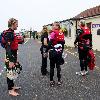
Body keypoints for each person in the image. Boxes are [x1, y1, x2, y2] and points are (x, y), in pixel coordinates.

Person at [4, 18, 21, 96]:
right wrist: (11, 60)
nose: (17, 25)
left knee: (13, 71)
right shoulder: (9, 33)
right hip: (10, 56)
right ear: (12, 24)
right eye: (16, 23)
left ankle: (12, 86)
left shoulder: (12, 32)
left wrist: (15, 59)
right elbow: (8, 47)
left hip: (13, 55)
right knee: (10, 72)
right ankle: (10, 90)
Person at [47, 22, 65, 86]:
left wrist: (46, 50)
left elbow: (50, 43)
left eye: (53, 25)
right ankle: (59, 81)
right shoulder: (61, 33)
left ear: (57, 26)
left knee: (52, 67)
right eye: (52, 25)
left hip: (53, 52)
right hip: (59, 52)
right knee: (58, 66)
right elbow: (63, 43)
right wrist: (61, 51)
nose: (52, 26)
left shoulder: (53, 33)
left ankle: (51, 81)